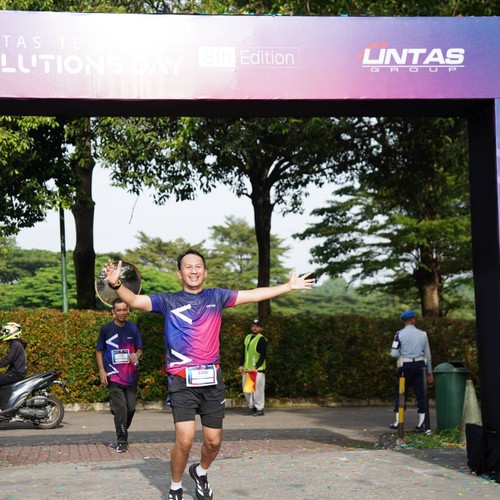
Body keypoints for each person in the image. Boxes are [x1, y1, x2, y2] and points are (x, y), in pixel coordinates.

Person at [103, 248, 315, 500]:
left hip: (212, 381)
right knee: (184, 440)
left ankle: (200, 471)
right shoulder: (168, 300)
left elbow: (254, 294)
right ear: (179, 273)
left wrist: (288, 286)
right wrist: (116, 284)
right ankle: (175, 487)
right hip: (181, 381)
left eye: (198, 267)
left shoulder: (217, 296)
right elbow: (135, 300)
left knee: (213, 442)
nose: (193, 271)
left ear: (205, 272)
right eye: (188, 267)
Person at [96, 298, 144, 453]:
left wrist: (137, 355)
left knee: (130, 409)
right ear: (113, 312)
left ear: (128, 310)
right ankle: (122, 441)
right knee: (122, 410)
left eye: (124, 310)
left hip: (130, 376)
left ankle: (120, 420)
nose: (122, 313)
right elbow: (99, 351)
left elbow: (139, 349)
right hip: (113, 376)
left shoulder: (133, 329)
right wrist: (102, 371)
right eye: (119, 310)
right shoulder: (106, 329)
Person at [390, 310, 433, 432]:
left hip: (405, 365)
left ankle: (398, 421)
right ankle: (422, 423)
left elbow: (393, 354)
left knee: (401, 392)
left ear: (404, 321)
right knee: (421, 394)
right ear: (413, 320)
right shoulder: (423, 334)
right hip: (420, 366)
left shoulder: (398, 334)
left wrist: (401, 353)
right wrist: (429, 372)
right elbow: (428, 355)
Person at [239, 318, 268, 417]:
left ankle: (259, 409)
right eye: (253, 326)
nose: (255, 328)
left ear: (260, 328)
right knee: (247, 390)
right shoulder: (247, 337)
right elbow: (243, 352)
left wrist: (256, 367)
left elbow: (263, 356)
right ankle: (251, 407)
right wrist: (241, 364)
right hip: (247, 369)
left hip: (257, 370)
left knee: (257, 391)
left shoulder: (262, 339)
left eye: (257, 326)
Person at [0, 322, 27, 387]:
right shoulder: (15, 344)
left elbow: (8, 359)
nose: (3, 334)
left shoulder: (16, 344)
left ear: (12, 332)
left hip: (16, 375)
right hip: (14, 374)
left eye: (5, 332)